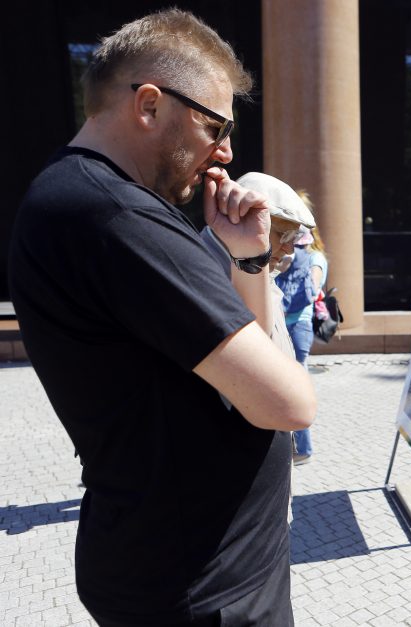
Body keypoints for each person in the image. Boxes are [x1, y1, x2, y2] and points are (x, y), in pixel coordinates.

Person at [7, 10, 315, 625]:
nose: (226, 150)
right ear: (149, 105)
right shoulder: (116, 217)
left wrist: (248, 260)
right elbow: (289, 404)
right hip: (202, 589)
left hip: (186, 569)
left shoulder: (78, 198)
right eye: (216, 125)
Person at [273, 190, 327, 466]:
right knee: (290, 381)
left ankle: (303, 448)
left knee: (297, 383)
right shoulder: (304, 256)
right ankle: (298, 446)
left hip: (299, 325)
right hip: (288, 322)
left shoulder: (313, 258)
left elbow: (313, 288)